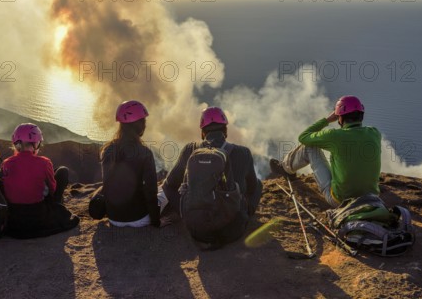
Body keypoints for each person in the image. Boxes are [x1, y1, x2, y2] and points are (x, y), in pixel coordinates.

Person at [162, 107, 263, 248]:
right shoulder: (243, 153)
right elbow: (251, 188)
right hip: (233, 231)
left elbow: (168, 185)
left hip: (198, 230)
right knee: (258, 184)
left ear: (203, 133)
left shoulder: (190, 150)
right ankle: (244, 214)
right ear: (225, 131)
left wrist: (183, 209)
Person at [274, 95, 381, 207]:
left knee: (309, 147)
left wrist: (328, 120)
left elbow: (303, 137)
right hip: (371, 199)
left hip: (340, 201)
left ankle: (286, 169)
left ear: (340, 117)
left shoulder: (334, 136)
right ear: (361, 115)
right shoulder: (374, 133)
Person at [2, 123, 78, 238]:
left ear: (16, 143)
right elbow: (53, 189)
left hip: (14, 218)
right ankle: (57, 205)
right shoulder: (44, 162)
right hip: (37, 216)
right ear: (36, 143)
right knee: (62, 171)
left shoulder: (7, 163)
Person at [97, 100, 160, 228]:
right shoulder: (145, 152)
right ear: (140, 124)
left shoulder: (108, 149)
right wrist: (156, 222)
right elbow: (151, 191)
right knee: (164, 193)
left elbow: (107, 184)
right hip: (139, 219)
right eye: (144, 121)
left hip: (114, 218)